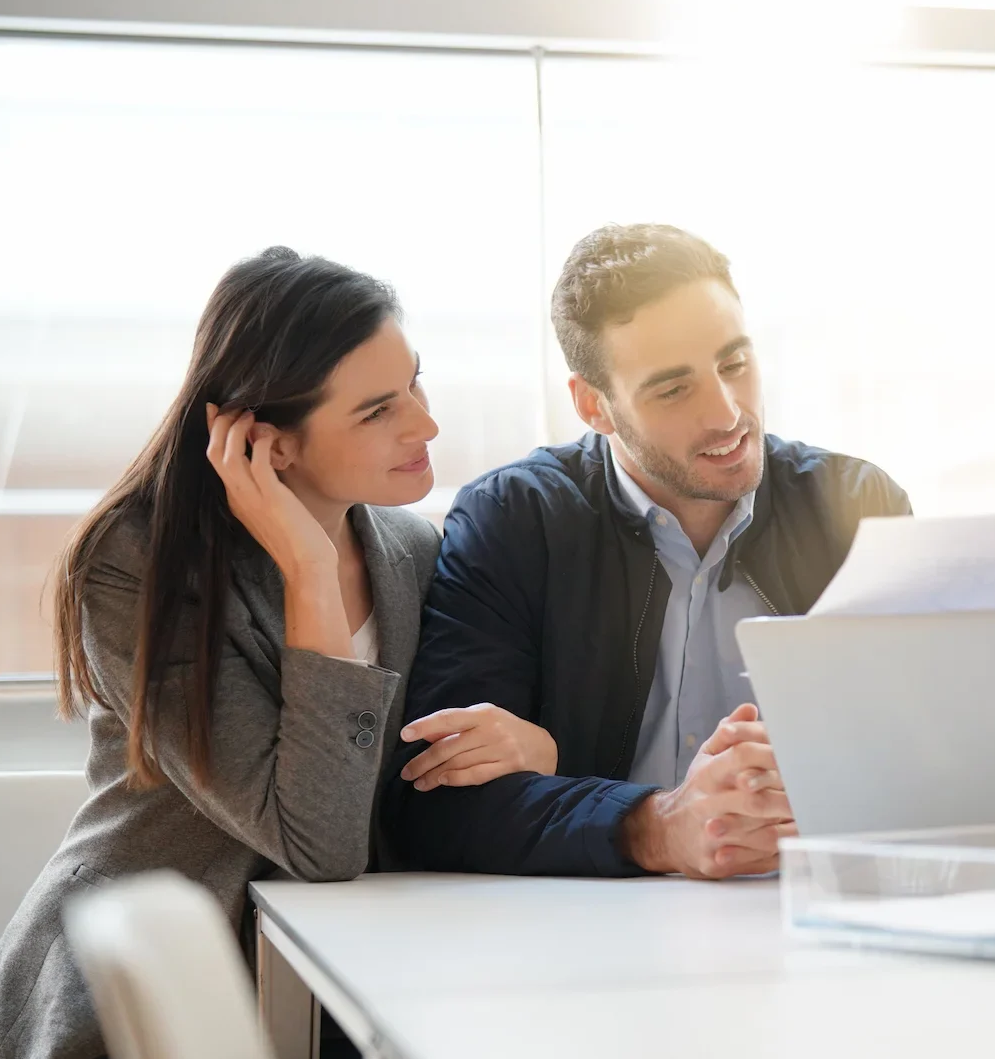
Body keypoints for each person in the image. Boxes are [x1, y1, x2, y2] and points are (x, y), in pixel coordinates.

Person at [0, 248, 549, 1059]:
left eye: (414, 385)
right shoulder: (136, 568)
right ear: (268, 445)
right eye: (376, 411)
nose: (426, 424)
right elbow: (318, 840)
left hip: (325, 1037)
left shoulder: (416, 553)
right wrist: (307, 571)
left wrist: (530, 747)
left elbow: (415, 797)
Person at [389, 223, 910, 880]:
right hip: (585, 936)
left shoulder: (855, 504)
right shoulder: (516, 521)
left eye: (735, 364)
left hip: (816, 911)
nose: (727, 414)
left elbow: (922, 759)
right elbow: (436, 805)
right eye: (673, 388)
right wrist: (659, 826)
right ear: (593, 405)